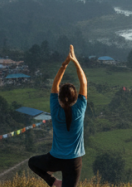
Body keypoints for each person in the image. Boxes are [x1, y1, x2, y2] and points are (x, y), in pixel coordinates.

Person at [28, 45, 88, 187]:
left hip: (55, 158)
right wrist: (75, 61)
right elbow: (84, 82)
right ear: (75, 99)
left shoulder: (55, 109)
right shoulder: (80, 109)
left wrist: (64, 64)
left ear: (59, 97)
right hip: (74, 162)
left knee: (32, 163)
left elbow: (55, 84)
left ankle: (53, 182)